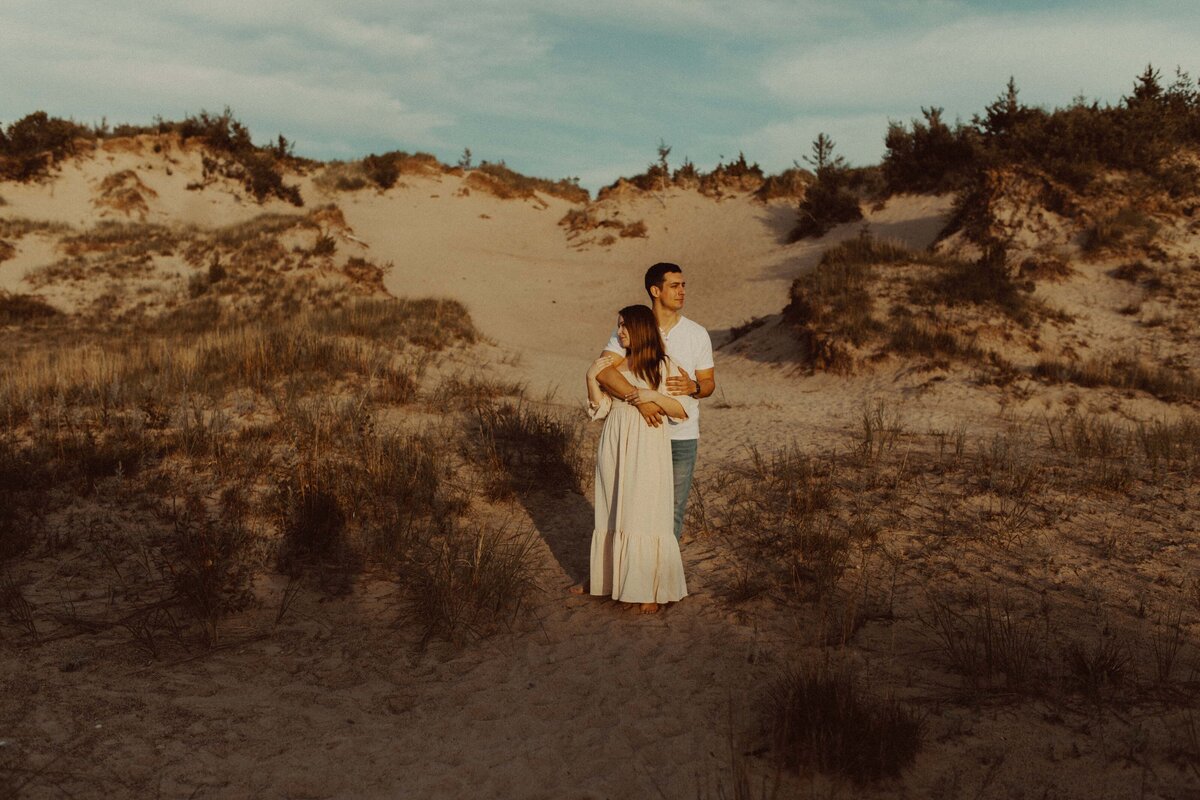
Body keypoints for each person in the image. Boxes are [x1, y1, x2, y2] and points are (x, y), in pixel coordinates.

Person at [596, 263, 715, 541]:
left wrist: (694, 387)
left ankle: (662, 579)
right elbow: (604, 370)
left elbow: (709, 384)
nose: (682, 291)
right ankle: (618, 572)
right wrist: (640, 402)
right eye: (674, 286)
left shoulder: (697, 334)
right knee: (628, 505)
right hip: (642, 433)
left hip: (681, 435)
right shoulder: (633, 326)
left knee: (672, 509)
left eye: (683, 285)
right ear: (655, 290)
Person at [583, 305, 689, 614]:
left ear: (641, 329)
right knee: (614, 509)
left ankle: (649, 591)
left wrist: (652, 397)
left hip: (648, 444)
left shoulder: (664, 365)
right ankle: (613, 582)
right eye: (618, 326)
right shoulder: (615, 368)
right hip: (614, 441)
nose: (620, 332)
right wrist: (591, 380)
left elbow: (681, 411)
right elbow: (599, 409)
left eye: (625, 326)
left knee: (645, 511)